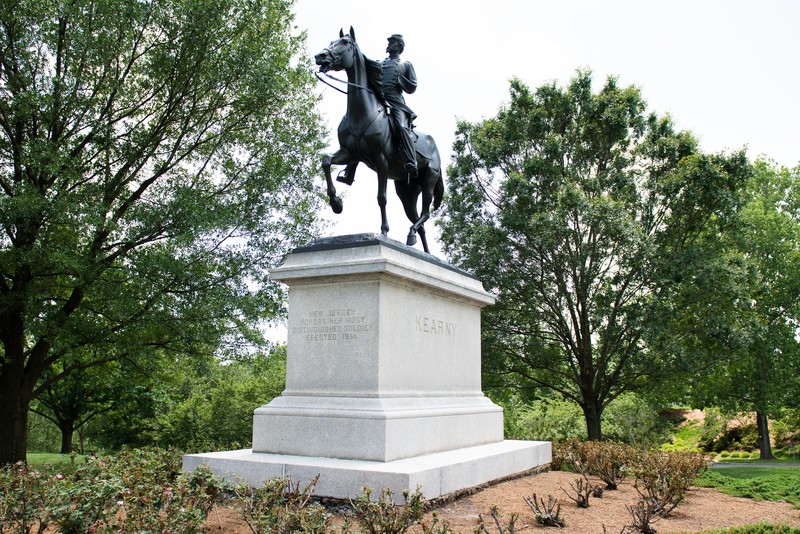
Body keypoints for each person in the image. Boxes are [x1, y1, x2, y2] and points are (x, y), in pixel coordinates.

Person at [382, 34, 418, 178]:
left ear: (399, 46)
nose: (389, 44)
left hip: (396, 103)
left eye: (393, 42)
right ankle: (349, 170)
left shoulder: (406, 65)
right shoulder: (380, 63)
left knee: (402, 127)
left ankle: (411, 160)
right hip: (379, 100)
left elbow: (413, 86)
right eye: (389, 42)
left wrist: (400, 79)